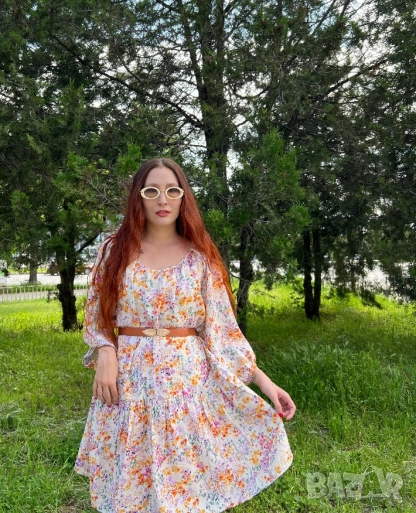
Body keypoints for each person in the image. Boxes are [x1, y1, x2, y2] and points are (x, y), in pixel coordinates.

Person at [74, 157, 296, 513]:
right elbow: (96, 313)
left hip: (185, 389)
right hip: (128, 387)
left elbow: (223, 333)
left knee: (184, 486)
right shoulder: (113, 250)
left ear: (183, 197)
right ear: (138, 197)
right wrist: (105, 350)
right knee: (129, 489)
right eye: (151, 191)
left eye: (172, 191)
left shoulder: (200, 258)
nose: (162, 199)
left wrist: (265, 384)